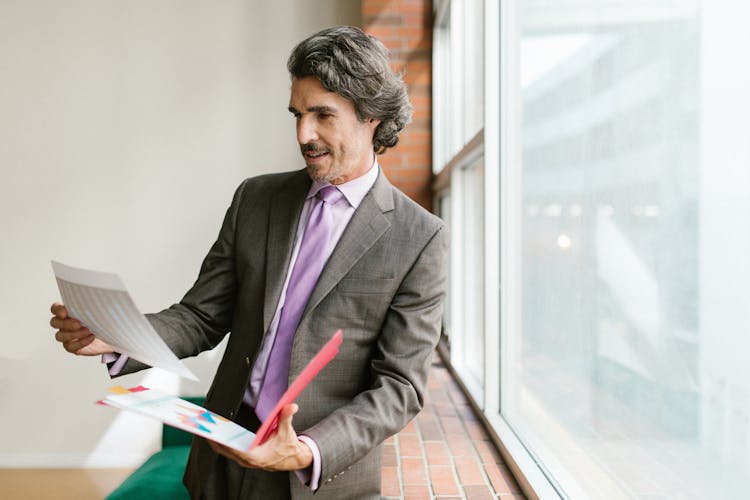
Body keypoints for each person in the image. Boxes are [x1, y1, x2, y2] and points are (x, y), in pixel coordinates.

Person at [50, 25, 446, 500]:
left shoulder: (419, 237)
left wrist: (306, 450)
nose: (304, 134)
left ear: (373, 120)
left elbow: (399, 387)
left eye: (323, 115)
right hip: (222, 455)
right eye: (297, 114)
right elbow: (201, 316)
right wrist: (114, 337)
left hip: (315, 475)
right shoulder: (256, 199)